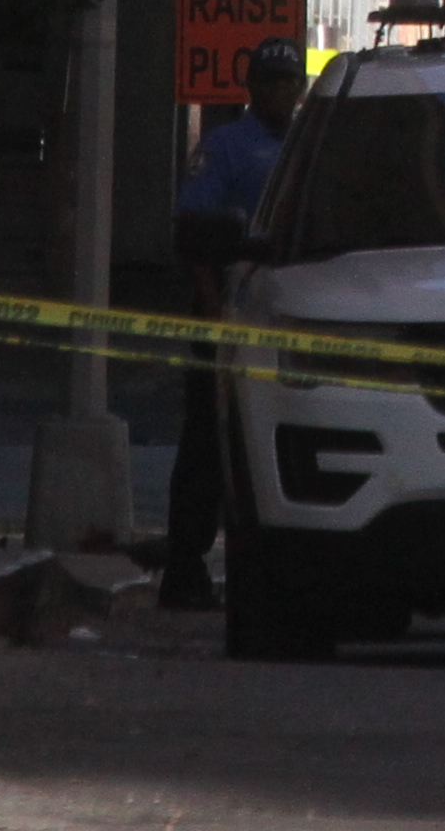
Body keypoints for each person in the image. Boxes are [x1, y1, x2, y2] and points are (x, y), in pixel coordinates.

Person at [156, 38, 309, 612]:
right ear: (251, 88)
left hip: (297, 319)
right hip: (231, 319)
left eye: (288, 81)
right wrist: (213, 310)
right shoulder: (226, 148)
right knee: (206, 446)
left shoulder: (310, 146)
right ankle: (185, 568)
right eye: (269, 81)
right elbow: (195, 234)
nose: (280, 91)